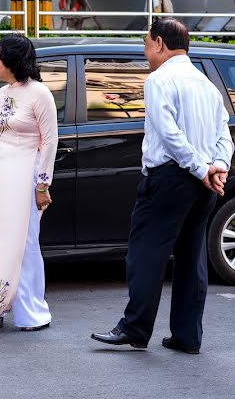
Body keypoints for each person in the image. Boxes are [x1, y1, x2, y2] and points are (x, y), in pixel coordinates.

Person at [91, 19, 233, 354]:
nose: (145, 51)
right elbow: (223, 135)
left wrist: (201, 169)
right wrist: (218, 168)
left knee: (146, 255)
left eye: (145, 44)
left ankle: (135, 329)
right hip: (203, 183)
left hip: (171, 178)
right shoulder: (207, 85)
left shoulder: (158, 80)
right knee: (191, 258)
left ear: (159, 43)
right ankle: (187, 337)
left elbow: (169, 134)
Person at [0, 34, 58, 330]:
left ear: (14, 60)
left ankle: (31, 311)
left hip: (25, 172)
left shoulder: (40, 93)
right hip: (0, 171)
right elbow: (1, 132)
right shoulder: (3, 93)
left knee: (25, 241)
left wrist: (42, 185)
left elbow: (49, 142)